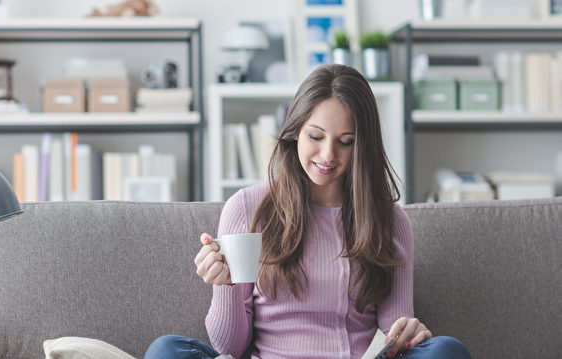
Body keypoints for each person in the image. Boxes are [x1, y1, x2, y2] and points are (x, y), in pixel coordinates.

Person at [144, 64, 471, 359]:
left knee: (446, 351)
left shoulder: (389, 220)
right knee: (166, 351)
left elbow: (394, 331)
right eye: (316, 136)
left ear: (363, 146)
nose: (328, 154)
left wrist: (408, 335)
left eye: (346, 141)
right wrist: (224, 285)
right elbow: (229, 348)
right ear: (295, 131)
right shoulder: (246, 208)